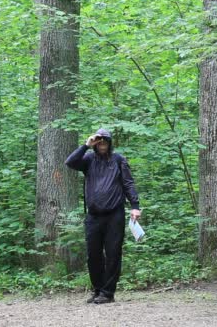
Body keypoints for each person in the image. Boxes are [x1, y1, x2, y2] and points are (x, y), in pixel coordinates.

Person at [65, 128, 141, 304]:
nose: (102, 144)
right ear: (95, 143)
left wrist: (135, 206)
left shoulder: (118, 160)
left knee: (113, 253)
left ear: (110, 143)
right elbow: (70, 162)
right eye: (99, 141)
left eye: (105, 141)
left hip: (115, 214)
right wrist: (86, 145)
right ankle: (98, 289)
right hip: (93, 216)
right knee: (93, 254)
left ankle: (108, 293)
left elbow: (128, 183)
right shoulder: (88, 160)